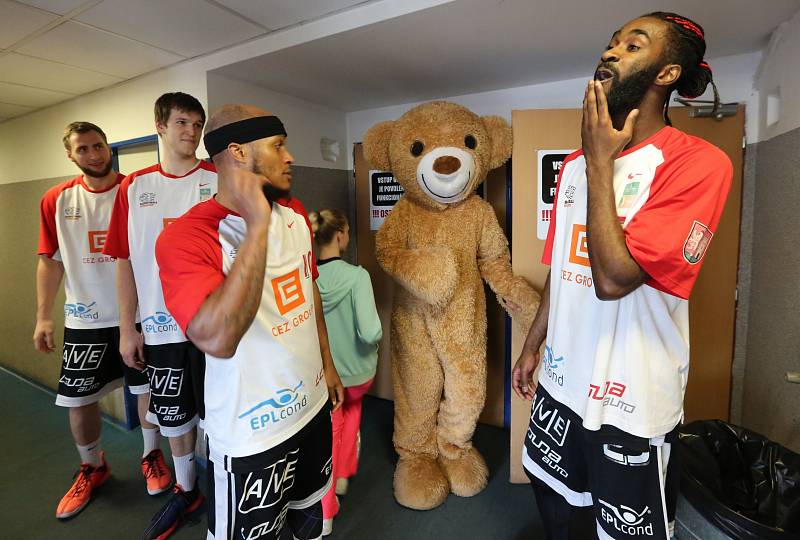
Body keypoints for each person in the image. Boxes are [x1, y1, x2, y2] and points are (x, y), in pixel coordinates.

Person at [512, 12, 733, 540]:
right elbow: (565, 270)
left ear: (667, 73)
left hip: (630, 400)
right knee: (560, 511)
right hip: (561, 385)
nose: (610, 52)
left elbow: (613, 280)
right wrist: (532, 343)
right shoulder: (572, 166)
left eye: (633, 45)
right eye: (611, 42)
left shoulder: (698, 164)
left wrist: (600, 165)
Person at [154, 104, 344, 540]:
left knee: (310, 520)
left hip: (311, 408)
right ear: (238, 152)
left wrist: (327, 364)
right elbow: (218, 339)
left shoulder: (295, 212)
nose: (290, 157)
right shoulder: (186, 237)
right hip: (251, 435)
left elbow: (307, 289)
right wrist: (256, 224)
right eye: (279, 145)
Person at [34, 121, 170, 519]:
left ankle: (151, 456)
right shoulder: (56, 200)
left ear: (108, 147)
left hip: (140, 314)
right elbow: (49, 261)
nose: (95, 155)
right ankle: (92, 467)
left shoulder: (136, 190)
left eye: (99, 146)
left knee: (146, 390)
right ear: (70, 155)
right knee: (79, 399)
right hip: (84, 318)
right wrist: (43, 317)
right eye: (84, 149)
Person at [103, 92, 217, 539]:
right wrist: (126, 327)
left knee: (216, 413)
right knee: (174, 415)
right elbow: (124, 261)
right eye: (183, 122)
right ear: (161, 126)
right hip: (159, 326)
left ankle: (223, 486)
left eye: (197, 124)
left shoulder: (216, 179)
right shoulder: (133, 188)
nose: (191, 132)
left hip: (211, 324)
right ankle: (187, 489)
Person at [309, 209, 382, 536]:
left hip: (324, 378)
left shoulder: (306, 280)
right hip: (358, 374)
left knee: (332, 431)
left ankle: (331, 496)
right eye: (348, 231)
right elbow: (370, 332)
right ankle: (334, 491)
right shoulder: (357, 277)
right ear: (339, 235)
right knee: (351, 414)